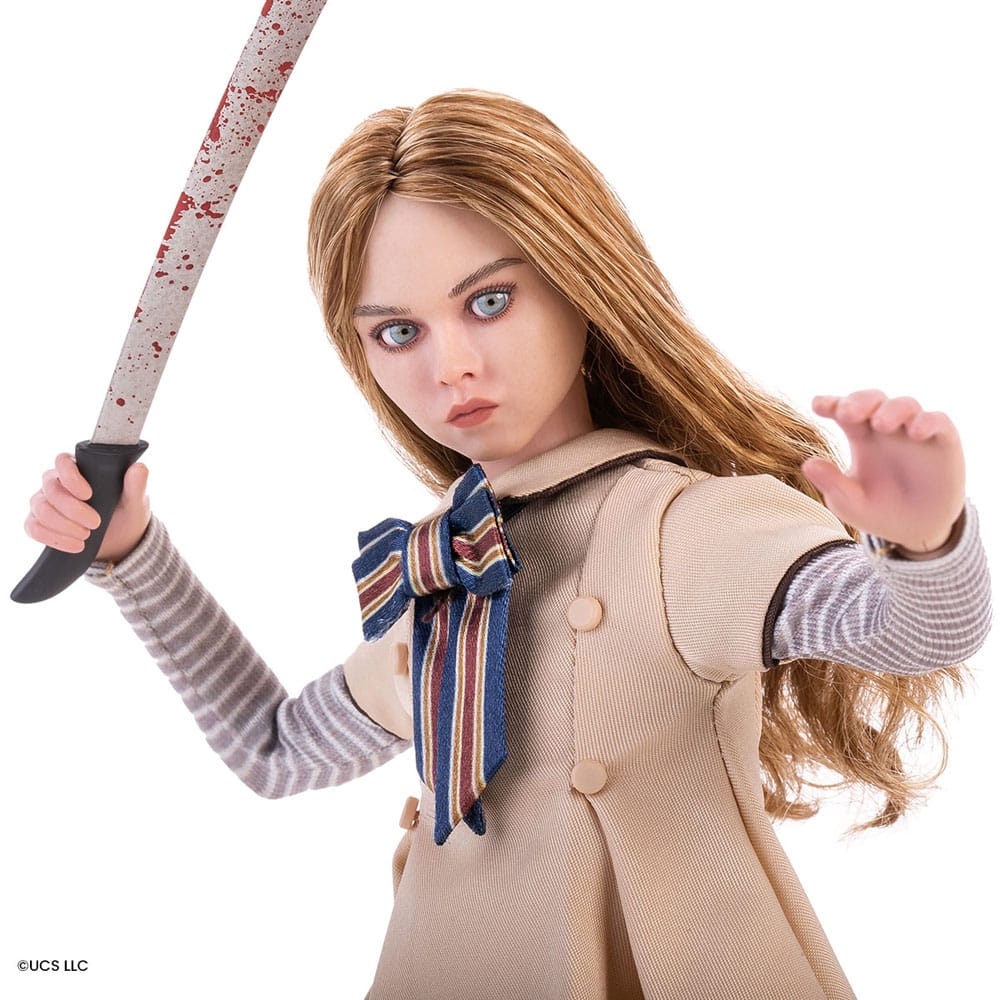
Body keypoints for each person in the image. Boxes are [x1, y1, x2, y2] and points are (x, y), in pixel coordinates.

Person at [24, 90, 991, 999]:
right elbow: (275, 750)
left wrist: (925, 545)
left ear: (581, 282)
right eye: (398, 333)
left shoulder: (683, 529)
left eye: (489, 302)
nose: (452, 366)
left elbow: (916, 633)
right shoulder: (443, 570)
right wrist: (136, 556)